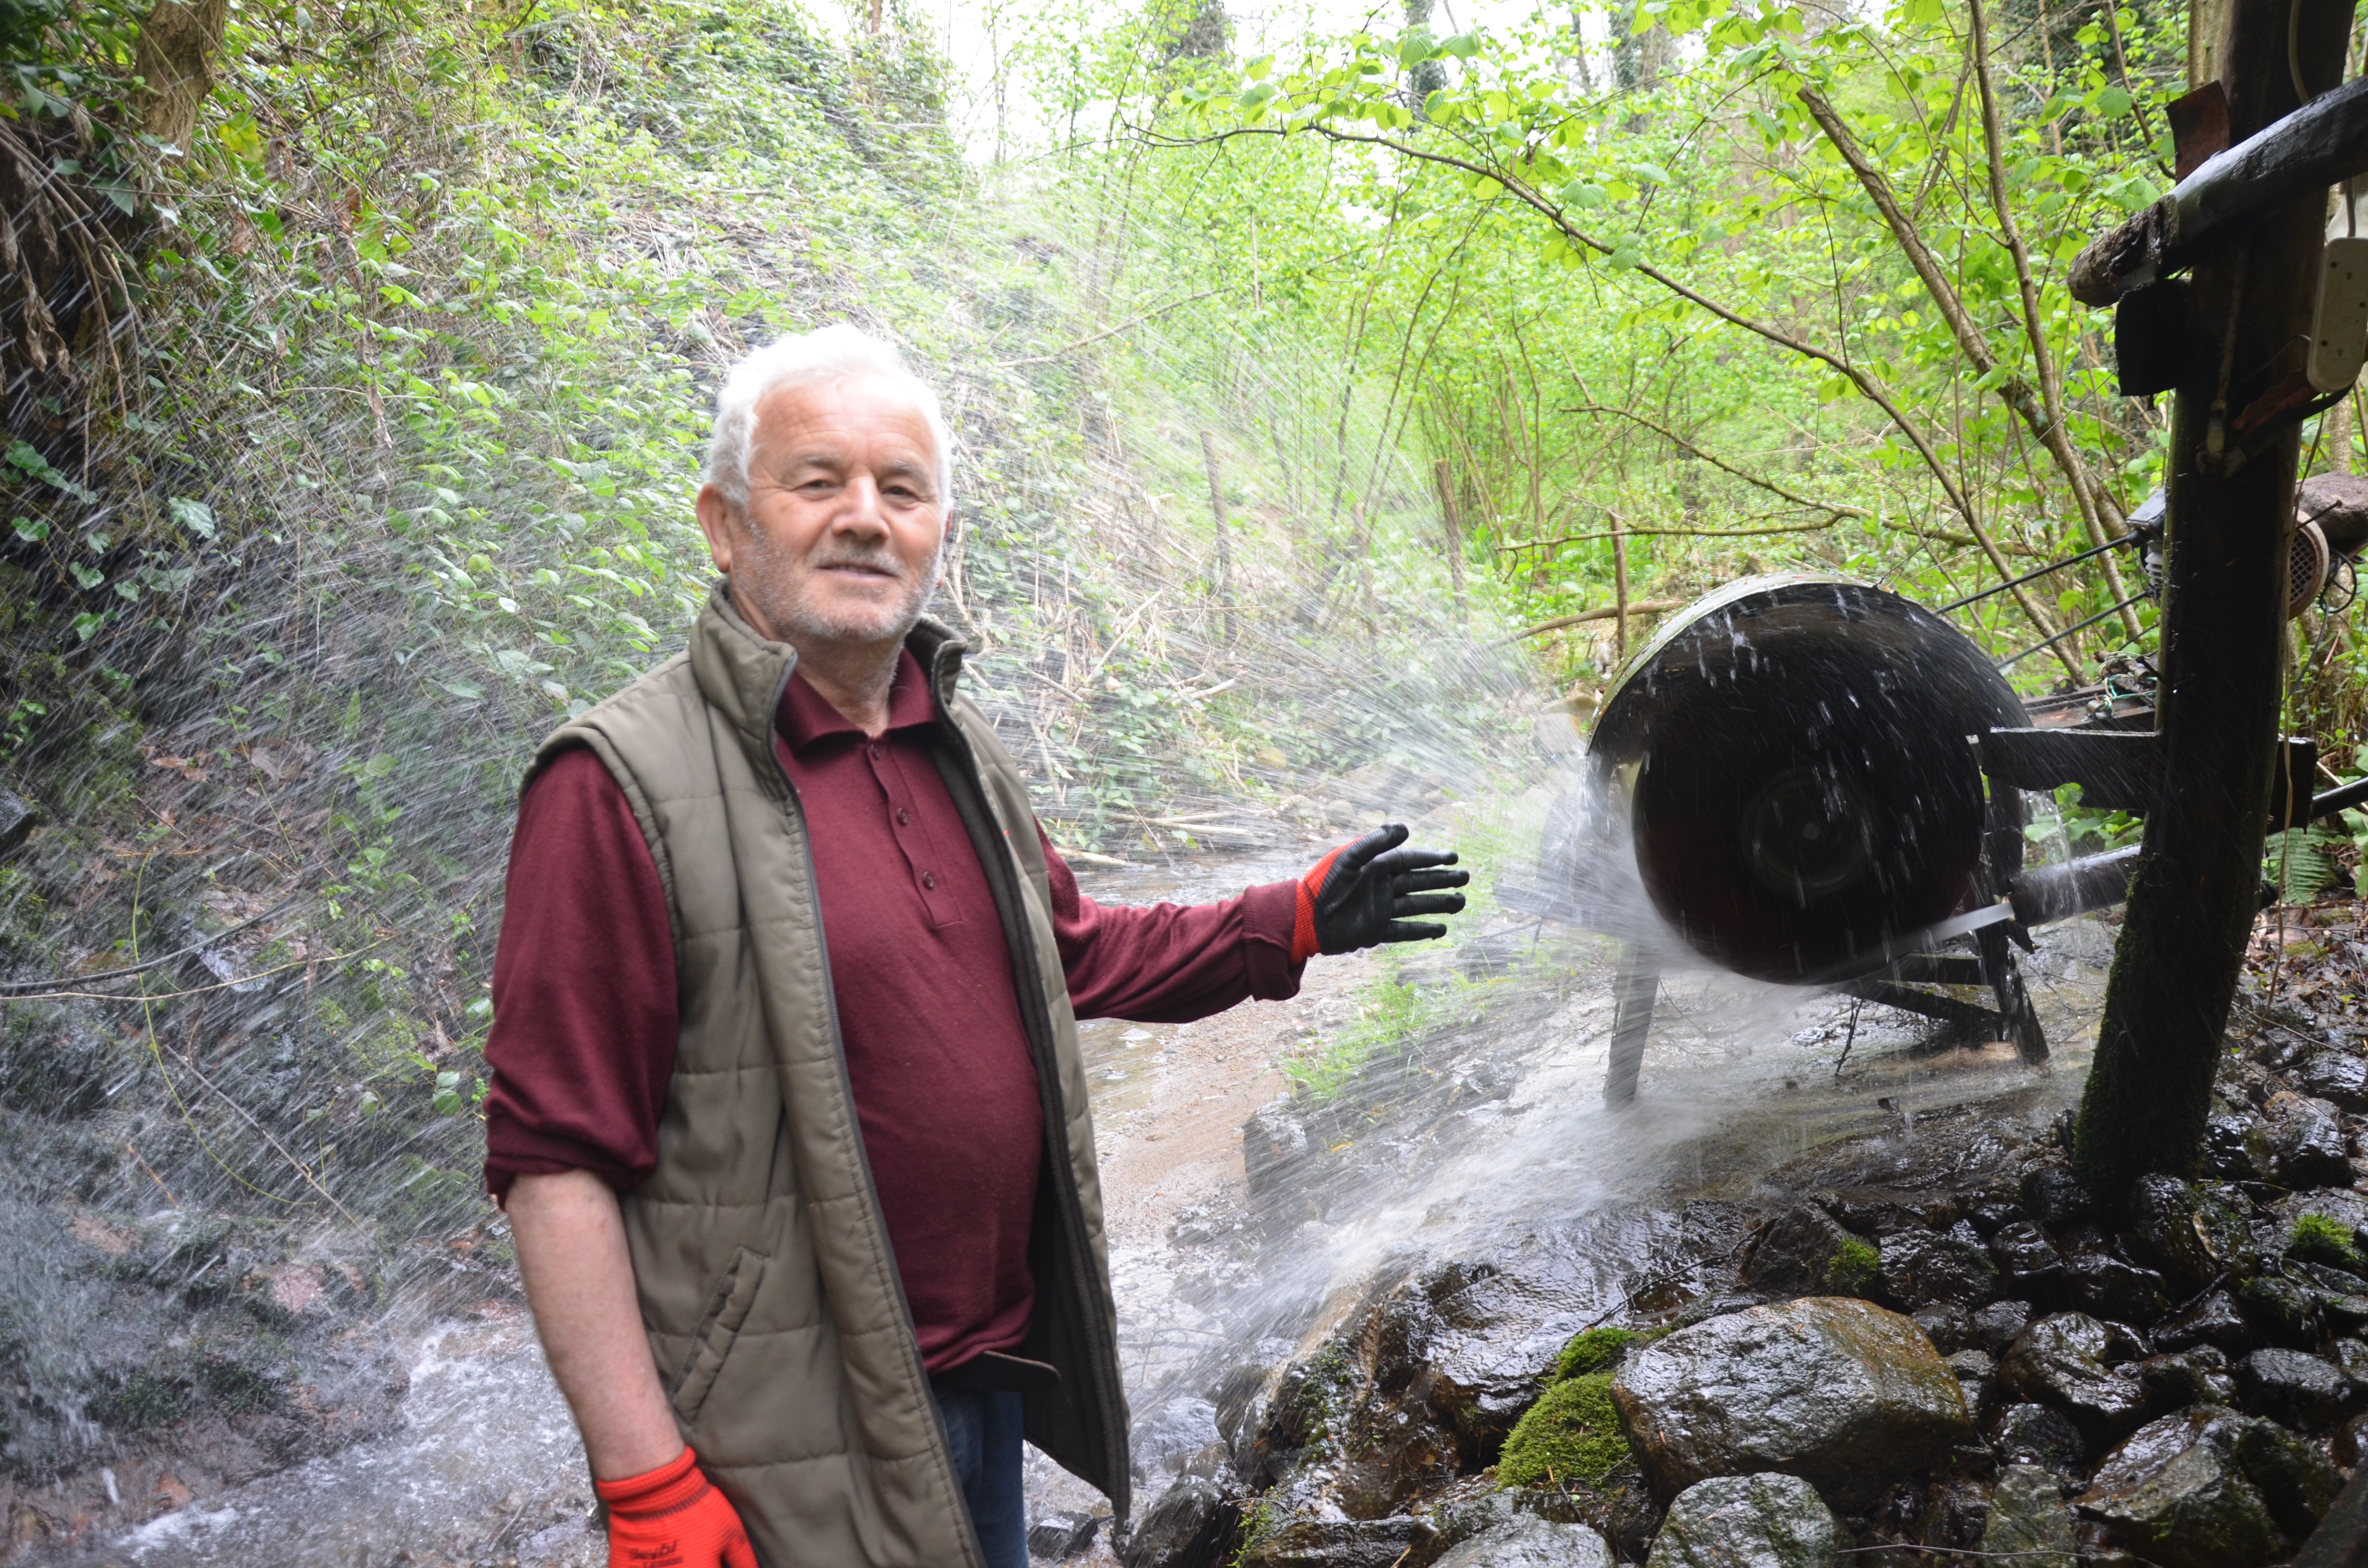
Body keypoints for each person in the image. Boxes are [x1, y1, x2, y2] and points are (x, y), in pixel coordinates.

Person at [481, 324, 1469, 1568]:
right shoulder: (616, 783)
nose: (864, 516)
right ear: (726, 523)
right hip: (778, 1440)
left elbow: (1075, 955)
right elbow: (553, 1163)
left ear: (940, 530)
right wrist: (644, 1482)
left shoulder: (958, 752)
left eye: (901, 488)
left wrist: (1296, 918)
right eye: (816, 480)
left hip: (980, 1389)